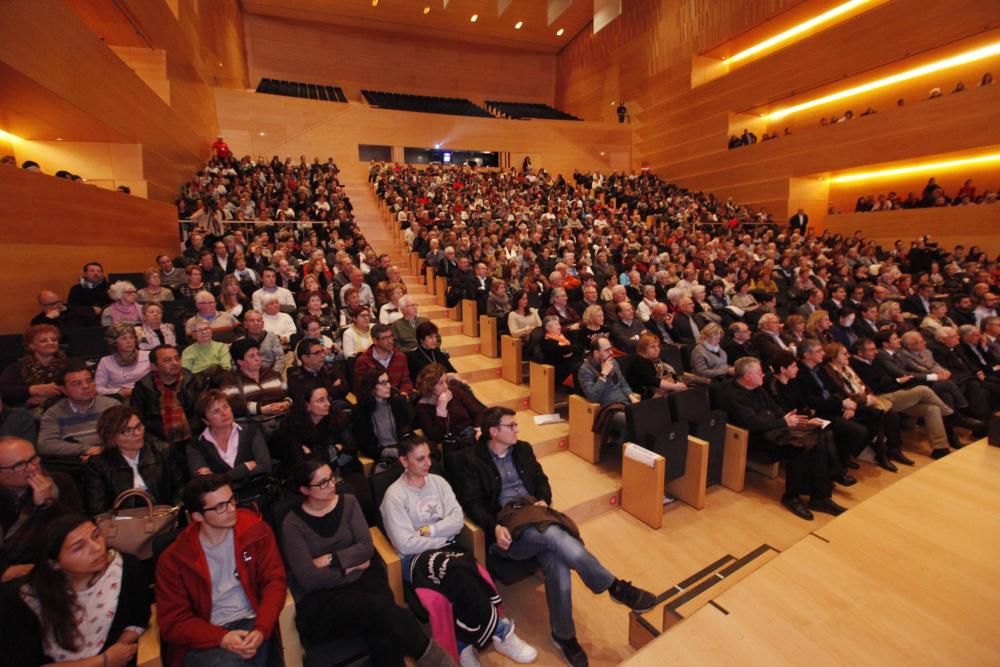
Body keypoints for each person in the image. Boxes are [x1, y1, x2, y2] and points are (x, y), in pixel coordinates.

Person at [452, 407, 655, 667]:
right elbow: (473, 504)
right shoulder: (472, 460)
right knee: (555, 537)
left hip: (536, 515)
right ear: (493, 431)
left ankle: (564, 636)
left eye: (516, 425)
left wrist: (542, 500)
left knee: (556, 560)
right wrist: (494, 527)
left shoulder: (523, 449)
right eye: (511, 426)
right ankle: (614, 587)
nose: (517, 429)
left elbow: (541, 480)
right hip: (508, 529)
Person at [281, 459, 457, 667]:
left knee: (382, 625)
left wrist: (332, 559)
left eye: (331, 478)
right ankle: (436, 659)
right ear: (304, 489)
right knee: (383, 610)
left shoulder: (348, 502)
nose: (331, 485)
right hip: (325, 598)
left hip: (365, 581)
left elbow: (365, 547)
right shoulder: (292, 524)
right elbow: (309, 578)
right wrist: (351, 565)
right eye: (322, 483)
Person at [380, 435, 537, 666]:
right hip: (414, 559)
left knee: (460, 571)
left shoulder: (438, 482)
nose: (428, 463)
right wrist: (440, 537)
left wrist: (426, 530)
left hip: (445, 548)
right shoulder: (394, 496)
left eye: (429, 457)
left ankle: (463, 645)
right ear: (404, 461)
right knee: (457, 568)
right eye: (420, 459)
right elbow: (405, 544)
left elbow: (456, 520)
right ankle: (500, 630)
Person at [156, 475, 287, 667]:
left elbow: (274, 581)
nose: (232, 509)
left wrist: (262, 628)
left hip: (252, 620)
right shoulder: (174, 559)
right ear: (198, 517)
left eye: (231, 500)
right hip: (206, 633)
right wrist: (221, 638)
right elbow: (174, 622)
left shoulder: (256, 531)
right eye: (220, 507)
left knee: (251, 653)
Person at [1, 513, 149, 666]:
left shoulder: (125, 568)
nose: (97, 548)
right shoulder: (22, 599)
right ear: (54, 563)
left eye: (96, 535)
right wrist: (103, 661)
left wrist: (121, 647)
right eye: (78, 547)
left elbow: (139, 618)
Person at [724, 357, 845, 520]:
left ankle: (820, 497)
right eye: (759, 372)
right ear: (747, 377)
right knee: (800, 447)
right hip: (755, 439)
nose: (763, 375)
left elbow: (775, 408)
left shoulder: (757, 388)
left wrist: (800, 421)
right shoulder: (733, 395)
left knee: (819, 437)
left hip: (773, 429)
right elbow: (751, 422)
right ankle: (791, 497)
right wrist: (783, 421)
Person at [0, 436, 82, 583]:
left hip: (53, 565)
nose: (32, 468)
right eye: (19, 465)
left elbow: (77, 529)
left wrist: (47, 505)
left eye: (33, 459)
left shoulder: (60, 482)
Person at [82, 405, 182, 515]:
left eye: (139, 426)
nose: (138, 433)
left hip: (163, 516)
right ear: (112, 437)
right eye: (127, 431)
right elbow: (97, 508)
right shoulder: (98, 465)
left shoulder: (163, 451)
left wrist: (172, 512)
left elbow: (180, 488)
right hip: (123, 524)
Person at [38, 361, 120, 459]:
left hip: (111, 458)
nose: (86, 386)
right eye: (77, 383)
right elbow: (45, 445)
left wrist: (102, 453)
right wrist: (86, 449)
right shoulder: (54, 413)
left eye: (89, 381)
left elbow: (125, 436)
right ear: (63, 390)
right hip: (76, 462)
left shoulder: (112, 405)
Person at [187, 389, 272, 482]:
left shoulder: (252, 430)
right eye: (216, 411)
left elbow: (265, 467)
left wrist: (217, 477)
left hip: (256, 491)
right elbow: (203, 483)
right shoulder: (195, 446)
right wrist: (244, 468)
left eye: (226, 407)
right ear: (205, 420)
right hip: (220, 496)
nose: (224, 413)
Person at [131, 344, 204, 447]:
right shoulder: (143, 389)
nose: (175, 363)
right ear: (154, 366)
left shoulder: (194, 382)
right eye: (167, 360)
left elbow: (205, 414)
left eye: (177, 358)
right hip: (159, 444)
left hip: (196, 438)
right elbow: (139, 421)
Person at [351, 369, 414, 472]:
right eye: (383, 383)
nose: (389, 386)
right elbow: (365, 446)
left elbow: (407, 430)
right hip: (382, 455)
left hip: (403, 449)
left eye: (388, 382)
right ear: (371, 387)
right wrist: (391, 452)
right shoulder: (360, 411)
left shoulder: (397, 403)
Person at [414, 363, 484, 450]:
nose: (446, 386)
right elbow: (435, 436)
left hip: (472, 433)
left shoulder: (455, 391)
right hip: (453, 443)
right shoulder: (422, 407)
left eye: (446, 381)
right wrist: (441, 410)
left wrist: (478, 429)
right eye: (441, 383)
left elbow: (477, 411)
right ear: (430, 386)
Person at [0, 324, 68, 410]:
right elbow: (3, 390)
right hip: (28, 413)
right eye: (43, 341)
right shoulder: (16, 367)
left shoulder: (68, 364)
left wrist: (50, 397)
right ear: (31, 346)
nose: (50, 343)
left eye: (54, 340)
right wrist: (31, 390)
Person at [355, 323, 414, 397]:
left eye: (390, 336)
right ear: (375, 341)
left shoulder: (400, 357)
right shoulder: (363, 360)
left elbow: (406, 381)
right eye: (384, 338)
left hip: (398, 398)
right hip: (375, 401)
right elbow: (362, 389)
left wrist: (404, 393)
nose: (390, 341)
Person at [95, 323, 151, 399]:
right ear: (114, 342)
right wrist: (118, 391)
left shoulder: (148, 356)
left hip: (146, 396)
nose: (129, 341)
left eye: (131, 337)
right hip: (119, 398)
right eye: (124, 338)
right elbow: (98, 388)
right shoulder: (105, 361)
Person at [626, 332, 688, 399]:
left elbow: (672, 374)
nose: (657, 349)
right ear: (643, 348)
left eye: (658, 346)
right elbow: (651, 380)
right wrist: (674, 387)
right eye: (652, 346)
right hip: (648, 396)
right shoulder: (638, 361)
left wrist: (677, 384)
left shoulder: (658, 359)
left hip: (665, 390)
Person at [539, 316, 581, 386]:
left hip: (570, 364)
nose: (559, 327)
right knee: (579, 367)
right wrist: (572, 348)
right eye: (556, 325)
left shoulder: (562, 337)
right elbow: (563, 350)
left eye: (559, 324)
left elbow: (575, 348)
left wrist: (572, 348)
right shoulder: (546, 341)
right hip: (559, 370)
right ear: (548, 328)